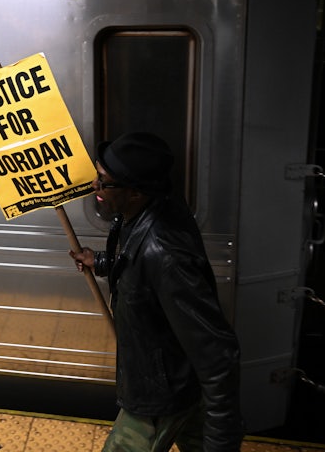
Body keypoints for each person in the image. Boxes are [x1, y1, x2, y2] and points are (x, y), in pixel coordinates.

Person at [69, 132, 244, 451]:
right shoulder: (144, 216)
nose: (95, 186)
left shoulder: (165, 253)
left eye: (104, 182)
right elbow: (142, 271)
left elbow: (218, 354)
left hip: (159, 396)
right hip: (176, 380)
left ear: (135, 192)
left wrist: (223, 442)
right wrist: (103, 262)